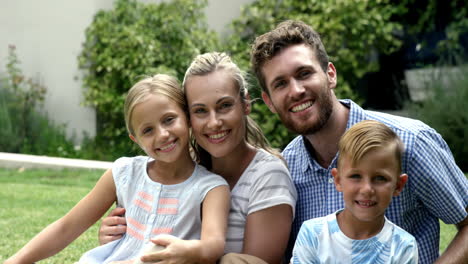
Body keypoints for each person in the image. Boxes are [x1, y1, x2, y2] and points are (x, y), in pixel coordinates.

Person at [251, 19, 468, 264]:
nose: (296, 90)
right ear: (269, 101)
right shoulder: (286, 170)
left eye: (304, 73)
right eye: (280, 84)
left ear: (330, 74)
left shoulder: (409, 143)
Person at [5, 74, 230, 264]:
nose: (162, 134)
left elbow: (213, 245)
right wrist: (14, 261)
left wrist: (186, 251)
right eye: (148, 130)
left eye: (169, 120)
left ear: (188, 119)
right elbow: (67, 227)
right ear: (136, 139)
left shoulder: (210, 188)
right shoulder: (124, 173)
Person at [99, 52, 297, 264]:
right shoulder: (185, 171)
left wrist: (193, 253)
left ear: (245, 103)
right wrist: (121, 235)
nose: (214, 123)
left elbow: (252, 263)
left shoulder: (268, 175)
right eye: (200, 110)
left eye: (225, 106)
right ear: (188, 118)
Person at [291, 120, 418, 263]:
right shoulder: (313, 234)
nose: (367, 189)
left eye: (380, 178)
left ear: (398, 185)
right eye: (355, 176)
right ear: (338, 180)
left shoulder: (403, 246)